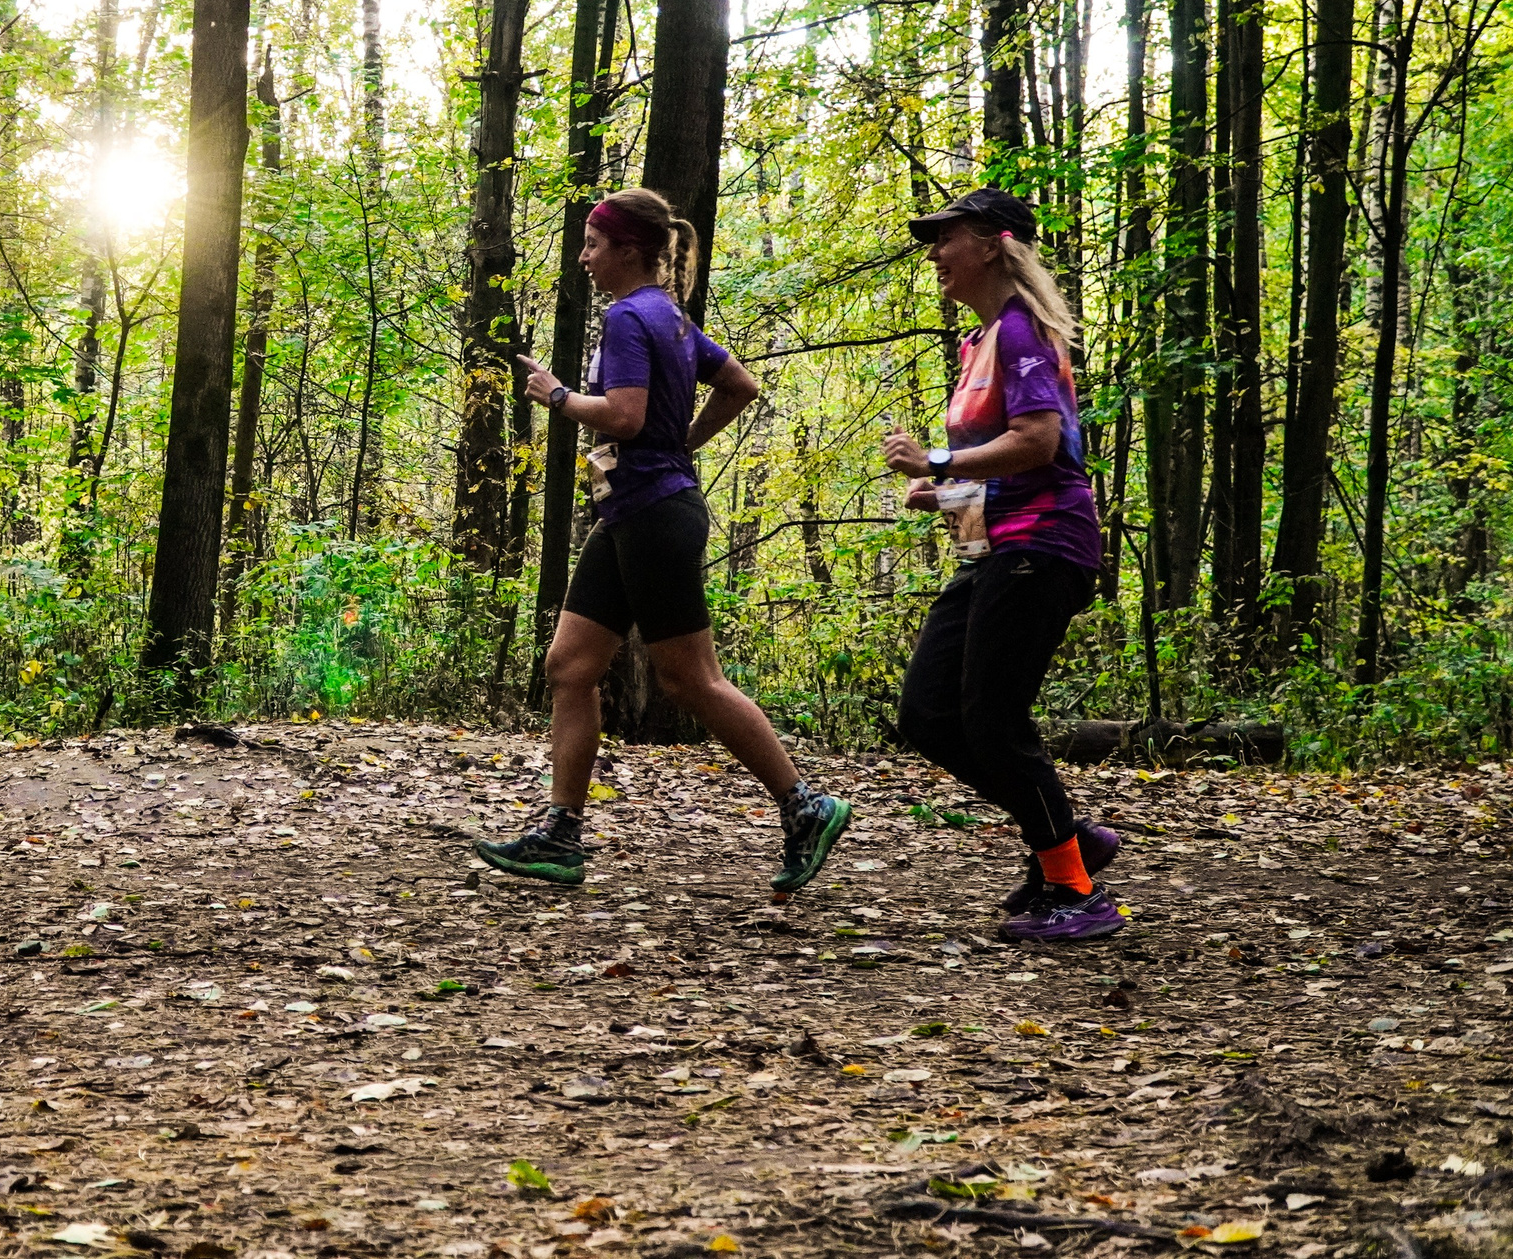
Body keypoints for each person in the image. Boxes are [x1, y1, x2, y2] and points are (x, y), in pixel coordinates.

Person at [474, 188, 852, 893]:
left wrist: (557, 396)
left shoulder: (628, 317)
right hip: (636, 512)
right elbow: (739, 384)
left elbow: (621, 415)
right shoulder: (671, 317)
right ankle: (561, 834)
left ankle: (806, 805)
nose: (584, 258)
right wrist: (685, 443)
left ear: (627, 250)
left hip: (653, 514)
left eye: (592, 244)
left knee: (689, 677)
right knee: (570, 665)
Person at [880, 188, 1123, 942]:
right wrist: (944, 490)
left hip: (1043, 544)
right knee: (927, 712)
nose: (933, 255)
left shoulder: (1020, 331)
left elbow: (1041, 442)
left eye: (945, 239)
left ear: (991, 244)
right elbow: (1006, 463)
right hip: (995, 545)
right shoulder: (981, 341)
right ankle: (1069, 843)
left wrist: (940, 456)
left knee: (993, 718)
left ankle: (1076, 891)